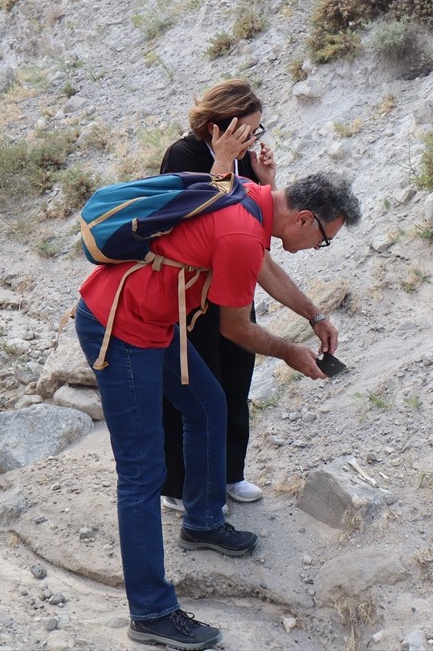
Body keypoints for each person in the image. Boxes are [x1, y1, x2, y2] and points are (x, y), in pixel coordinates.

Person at [73, 111, 361, 648]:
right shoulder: (239, 228)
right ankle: (151, 614)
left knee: (206, 405)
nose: (321, 249)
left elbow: (266, 272)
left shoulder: (251, 196)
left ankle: (202, 520)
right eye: (324, 241)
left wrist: (315, 316)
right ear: (301, 218)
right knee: (141, 473)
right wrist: (290, 352)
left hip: (155, 322)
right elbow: (235, 327)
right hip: (121, 327)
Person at [157, 79, 340, 512]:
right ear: (223, 124)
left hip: (231, 290)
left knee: (235, 382)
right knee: (196, 393)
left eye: (258, 131)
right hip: (191, 297)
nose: (256, 139)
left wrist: (265, 182)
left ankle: (227, 473)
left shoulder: (241, 165)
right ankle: (180, 488)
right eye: (250, 130)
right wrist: (222, 166)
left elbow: (256, 243)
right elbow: (182, 221)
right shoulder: (184, 155)